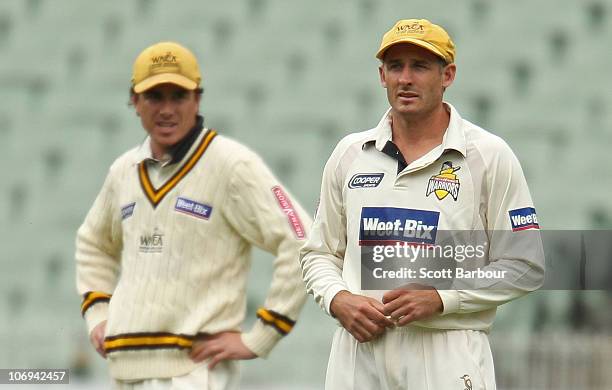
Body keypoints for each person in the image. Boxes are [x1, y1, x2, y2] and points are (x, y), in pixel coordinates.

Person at [300, 19, 544, 389]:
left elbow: (525, 263)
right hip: (358, 353)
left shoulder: (487, 155)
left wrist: (443, 298)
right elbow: (319, 253)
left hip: (446, 351)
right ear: (382, 76)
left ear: (448, 75)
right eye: (396, 66)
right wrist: (338, 298)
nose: (406, 79)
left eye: (421, 66)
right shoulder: (349, 154)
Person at [76, 41, 310, 389]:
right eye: (155, 96)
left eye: (179, 96)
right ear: (134, 102)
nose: (167, 109)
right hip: (125, 371)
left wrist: (260, 337)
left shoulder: (231, 164)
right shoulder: (123, 171)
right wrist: (98, 313)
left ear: (197, 99)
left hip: (194, 373)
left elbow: (300, 236)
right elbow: (93, 242)